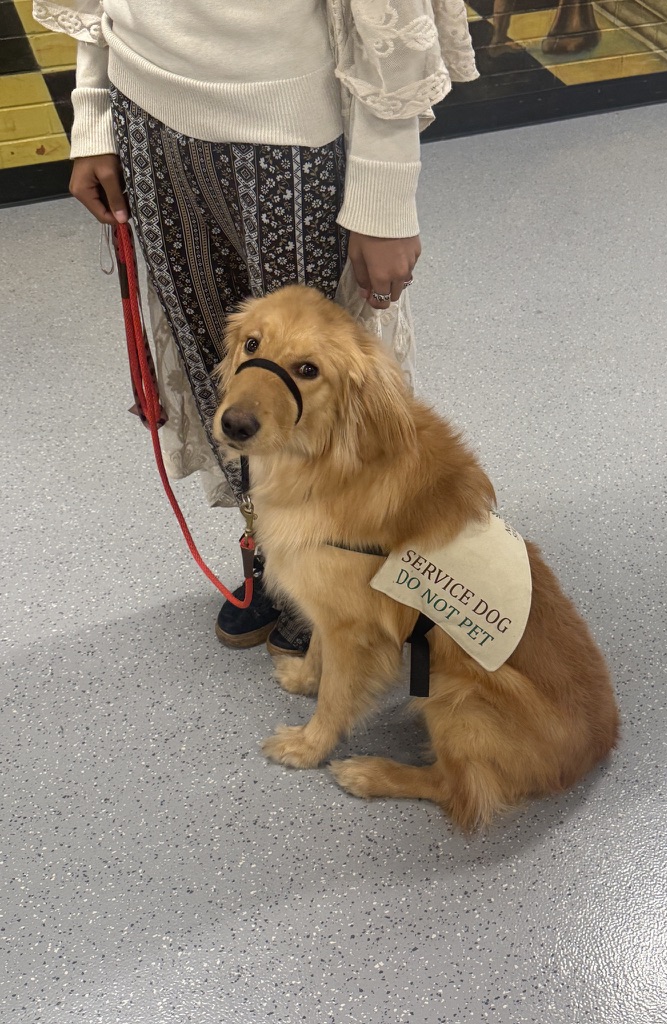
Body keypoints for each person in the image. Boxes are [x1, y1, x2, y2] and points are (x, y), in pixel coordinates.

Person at [33, 0, 478, 655]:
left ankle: (340, 570)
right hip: (145, 112)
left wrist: (385, 191)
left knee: (314, 386)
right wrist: (95, 113)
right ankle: (271, 550)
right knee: (225, 370)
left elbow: (387, 19)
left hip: (291, 129)